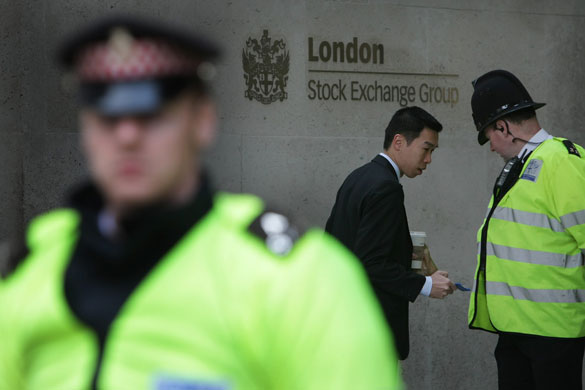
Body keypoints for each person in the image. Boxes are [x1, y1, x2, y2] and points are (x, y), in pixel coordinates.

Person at [0, 15, 403, 389]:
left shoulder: (298, 274)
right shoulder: (34, 267)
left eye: (151, 115)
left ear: (203, 121)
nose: (126, 137)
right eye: (106, 118)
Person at [468, 69, 585, 390]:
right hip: (517, 329)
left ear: (502, 127)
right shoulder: (519, 166)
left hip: (552, 334)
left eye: (488, 135)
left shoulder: (562, 161)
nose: (490, 146)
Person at [325, 106, 456, 361]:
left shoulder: (358, 177)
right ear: (398, 142)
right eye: (426, 149)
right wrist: (426, 285)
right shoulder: (387, 188)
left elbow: (340, 245)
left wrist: (409, 259)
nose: (429, 159)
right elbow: (371, 263)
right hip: (370, 331)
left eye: (433, 152)